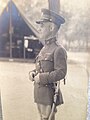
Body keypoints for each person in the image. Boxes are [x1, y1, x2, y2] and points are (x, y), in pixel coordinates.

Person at [29, 8, 67, 120]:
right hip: (39, 92)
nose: (39, 28)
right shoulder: (45, 48)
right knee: (42, 117)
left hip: (48, 93)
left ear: (51, 28)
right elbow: (41, 67)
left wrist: (41, 77)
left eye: (42, 25)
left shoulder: (58, 50)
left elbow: (61, 72)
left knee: (47, 118)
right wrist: (33, 73)